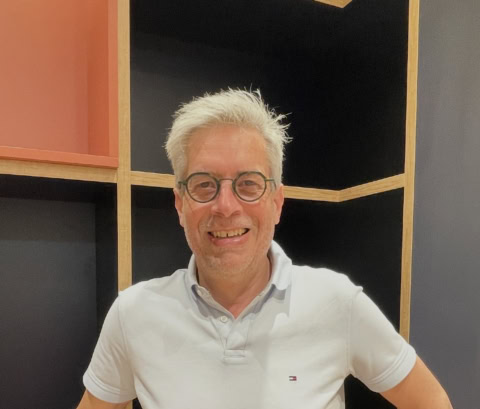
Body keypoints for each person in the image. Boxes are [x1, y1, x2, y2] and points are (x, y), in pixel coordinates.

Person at [77, 89, 452, 409]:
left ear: (276, 202)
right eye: (204, 184)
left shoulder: (337, 302)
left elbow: (430, 401)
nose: (226, 206)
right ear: (180, 204)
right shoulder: (134, 313)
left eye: (249, 184)